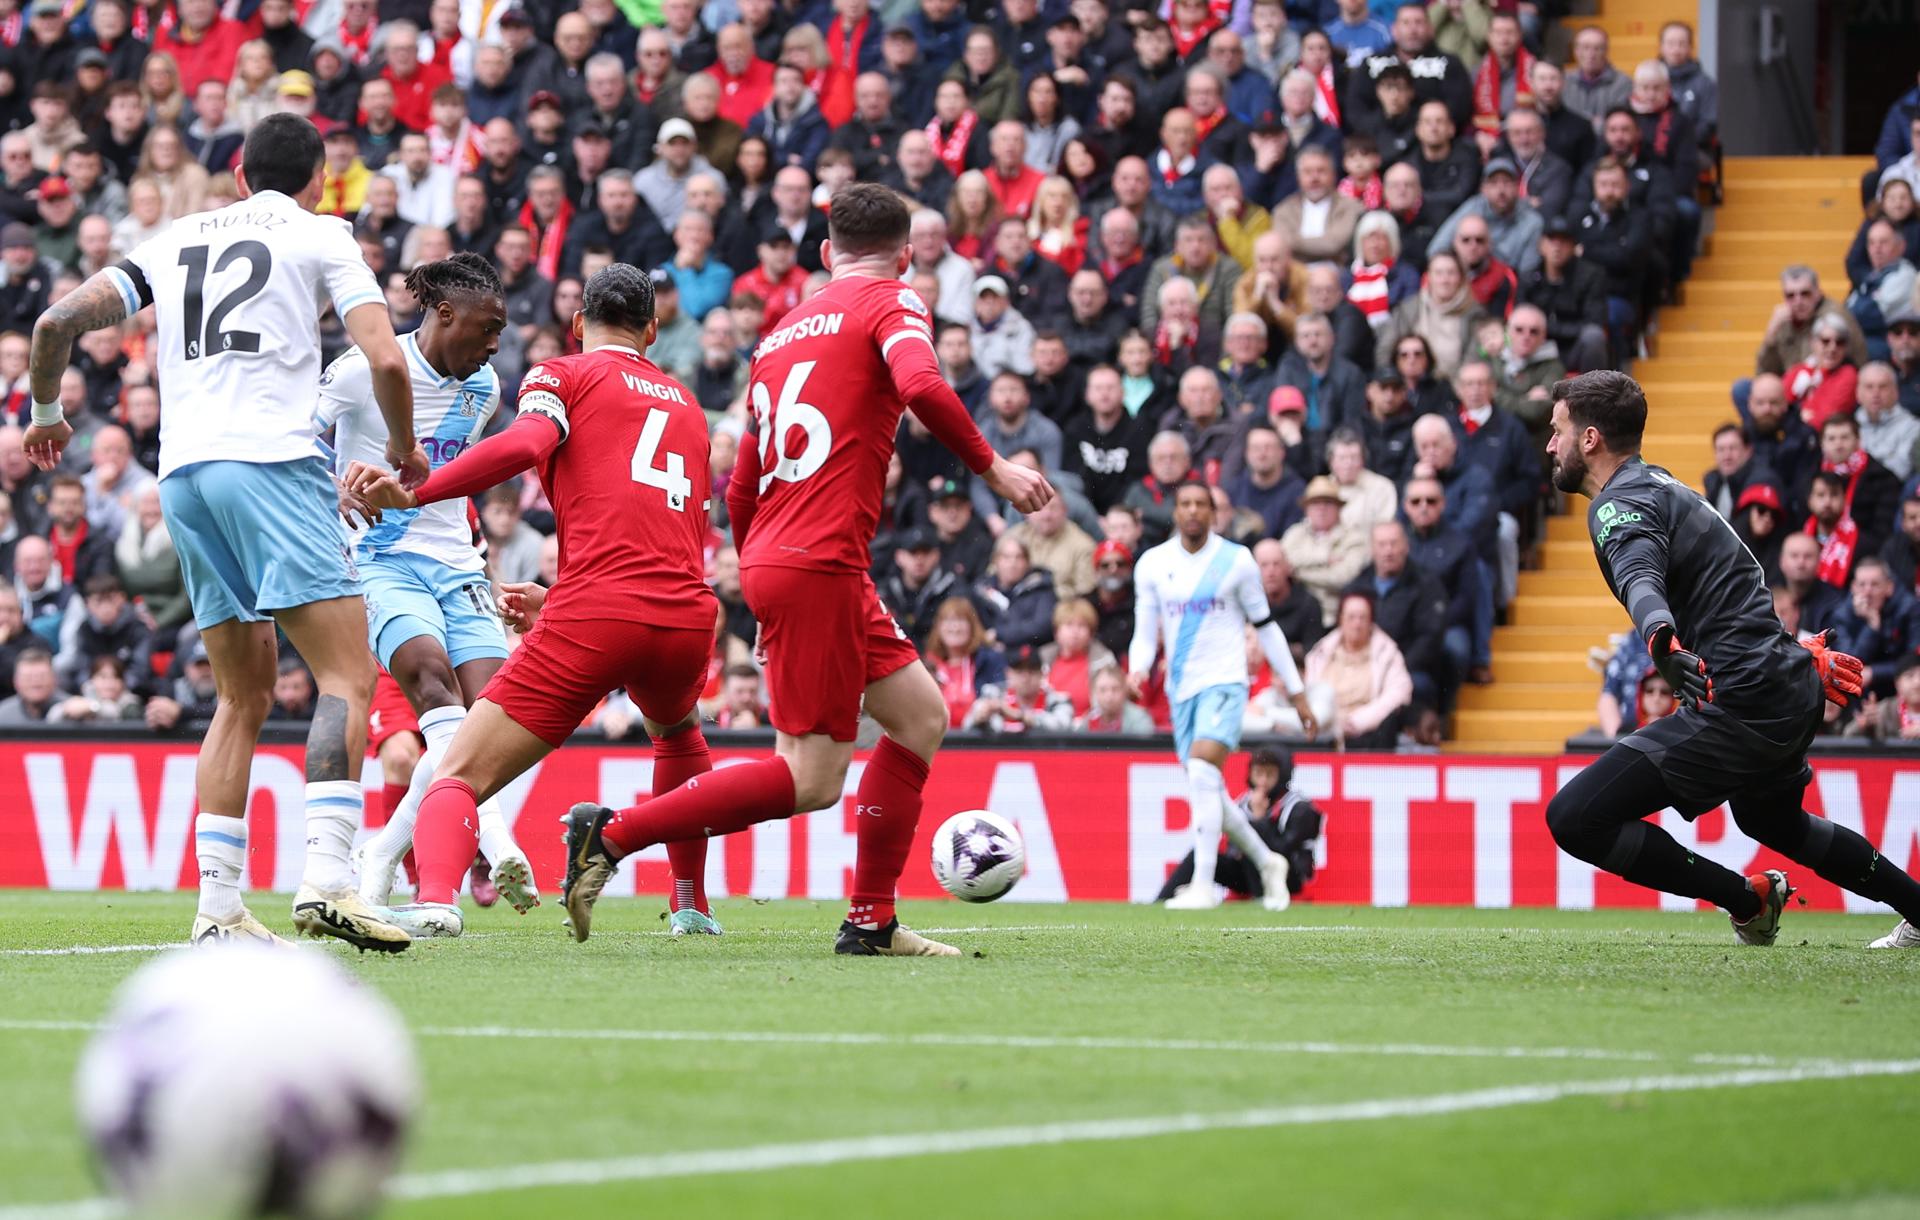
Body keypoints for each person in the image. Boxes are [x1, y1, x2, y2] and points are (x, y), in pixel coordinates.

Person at [553, 183, 1050, 957]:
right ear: (907, 254)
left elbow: (743, 478)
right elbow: (920, 383)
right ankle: (612, 836)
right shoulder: (894, 302)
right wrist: (996, 470)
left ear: (824, 253)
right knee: (812, 777)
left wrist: (759, 581)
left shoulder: (782, 332)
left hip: (791, 560)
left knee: (921, 716)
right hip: (818, 562)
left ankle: (871, 920)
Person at [23, 114, 418, 950]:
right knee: (347, 675)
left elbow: (55, 323)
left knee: (241, 697)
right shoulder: (322, 234)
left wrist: (48, 413)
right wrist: (406, 451)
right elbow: (386, 358)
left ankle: (219, 907)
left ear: (239, 177)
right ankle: (330, 879)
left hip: (184, 477)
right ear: (317, 179)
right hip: (271, 464)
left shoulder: (174, 236)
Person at [348, 264, 728, 939]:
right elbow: (663, 534)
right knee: (678, 735)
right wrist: (555, 602)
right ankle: (692, 904)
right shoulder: (688, 404)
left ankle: (435, 897)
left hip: (600, 611)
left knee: (460, 766)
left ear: (578, 324)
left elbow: (526, 444)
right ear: (654, 331)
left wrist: (417, 490)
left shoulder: (563, 374)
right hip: (683, 614)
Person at [1541, 370, 1920, 950]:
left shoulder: (1619, 506)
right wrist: (1783, 652)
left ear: (1589, 439)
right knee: (1770, 822)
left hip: (1743, 697)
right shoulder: (1667, 487)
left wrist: (1659, 638)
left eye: (1557, 430)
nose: (1550, 445)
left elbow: (1640, 579)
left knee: (1574, 817)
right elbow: (1736, 583)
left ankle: (1750, 899)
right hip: (1784, 683)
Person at [314, 254, 541, 936]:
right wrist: (334, 490)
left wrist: (480, 564)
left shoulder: (485, 389)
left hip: (459, 566)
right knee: (435, 688)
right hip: (380, 562)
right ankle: (498, 845)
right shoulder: (363, 371)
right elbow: (290, 448)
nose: (496, 342)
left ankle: (381, 853)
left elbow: (456, 487)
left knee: (494, 717)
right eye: (488, 326)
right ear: (444, 315)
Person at [1127, 479, 1317, 912]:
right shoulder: (1153, 564)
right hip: (1182, 689)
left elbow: (1266, 627)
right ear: (1175, 512)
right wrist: (1138, 668)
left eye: (1201, 504)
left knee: (1200, 772)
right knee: (1206, 785)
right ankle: (1269, 863)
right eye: (1185, 504)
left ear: (1214, 513)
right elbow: (1144, 632)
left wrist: (1299, 693)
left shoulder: (1237, 561)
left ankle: (1201, 886)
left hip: (1226, 681)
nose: (1193, 511)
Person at [1153, 746, 1323, 907]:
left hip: (1288, 878)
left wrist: (1259, 821)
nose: (1263, 781)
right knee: (1199, 854)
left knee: (1254, 849)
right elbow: (1232, 847)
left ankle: (1265, 899)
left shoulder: (1299, 808)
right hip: (1248, 874)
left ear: (1282, 776)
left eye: (1270, 775)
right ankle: (1160, 903)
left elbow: (1284, 850)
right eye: (1258, 773)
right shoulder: (1242, 803)